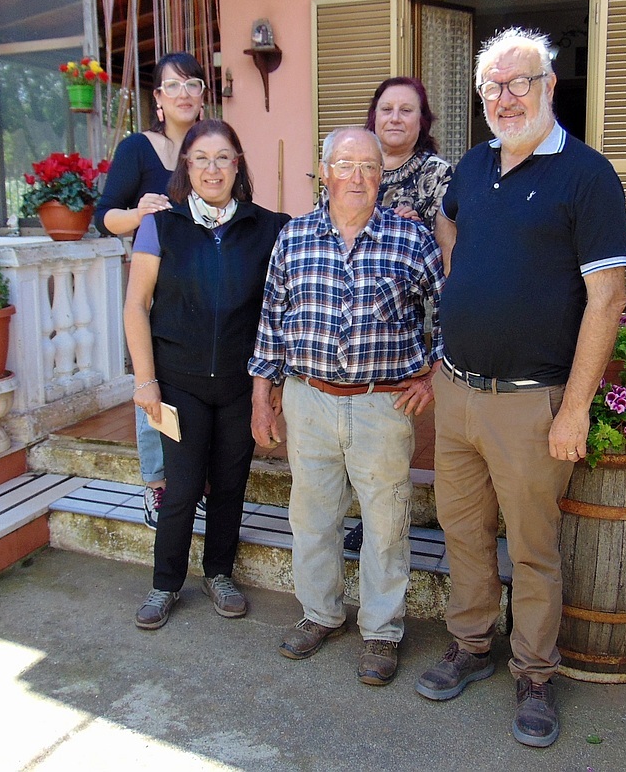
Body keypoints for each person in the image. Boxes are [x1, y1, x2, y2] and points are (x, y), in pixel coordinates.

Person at [416, 28, 626, 749]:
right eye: (491, 88)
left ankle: (535, 672)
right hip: (457, 391)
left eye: (518, 83)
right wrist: (462, 276)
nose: (504, 99)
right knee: (463, 532)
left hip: (533, 403)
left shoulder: (587, 176)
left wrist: (575, 408)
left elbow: (607, 300)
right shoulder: (472, 168)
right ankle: (472, 645)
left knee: (533, 546)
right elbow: (449, 223)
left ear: (548, 87)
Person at [249, 127, 445, 687]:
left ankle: (382, 632)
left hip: (382, 407)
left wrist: (430, 374)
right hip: (308, 401)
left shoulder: (410, 240)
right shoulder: (293, 238)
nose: (357, 177)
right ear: (325, 171)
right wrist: (264, 397)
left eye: (369, 167)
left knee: (386, 522)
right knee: (312, 517)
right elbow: (270, 323)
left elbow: (450, 308)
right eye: (346, 165)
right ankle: (320, 614)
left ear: (381, 177)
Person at [125, 119, 289, 630]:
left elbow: (282, 308)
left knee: (232, 482)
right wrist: (145, 381)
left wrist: (275, 383)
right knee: (181, 486)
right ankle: (164, 584)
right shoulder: (162, 223)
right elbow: (136, 304)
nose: (212, 168)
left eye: (223, 158)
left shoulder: (268, 227)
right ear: (186, 167)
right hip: (177, 382)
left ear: (237, 165)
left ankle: (218, 573)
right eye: (201, 158)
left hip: (242, 384)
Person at [95, 52, 207, 529]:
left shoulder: (212, 146)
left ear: (203, 95)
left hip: (205, 289)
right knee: (152, 381)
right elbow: (106, 217)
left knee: (200, 387)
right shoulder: (138, 149)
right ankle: (159, 485)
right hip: (156, 289)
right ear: (158, 99)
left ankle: (195, 482)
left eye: (193, 84)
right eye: (172, 86)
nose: (184, 93)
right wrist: (140, 214)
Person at [343, 76, 455, 553]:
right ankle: (368, 515)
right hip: (349, 319)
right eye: (386, 108)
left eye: (406, 110)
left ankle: (385, 523)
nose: (394, 118)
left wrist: (420, 230)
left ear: (422, 121)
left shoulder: (435, 174)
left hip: (407, 323)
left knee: (393, 429)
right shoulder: (354, 167)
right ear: (374, 116)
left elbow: (451, 251)